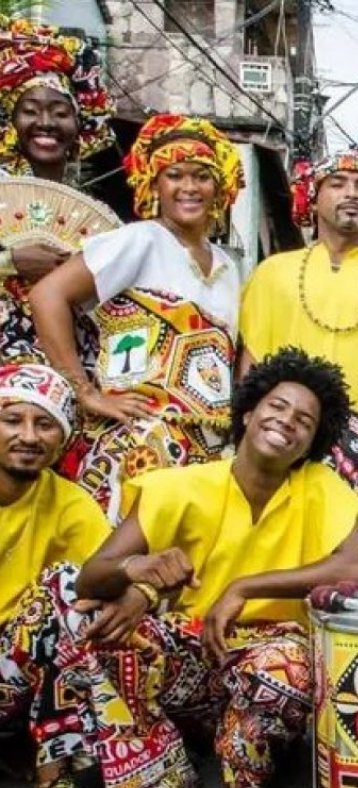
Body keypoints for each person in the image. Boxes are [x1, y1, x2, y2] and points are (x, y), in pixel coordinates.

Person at [74, 347, 358, 788]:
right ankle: (158, 759)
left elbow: (356, 565)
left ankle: (245, 742)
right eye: (277, 406)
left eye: (305, 421)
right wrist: (139, 569)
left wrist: (244, 587)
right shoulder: (180, 486)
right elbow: (90, 577)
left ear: (312, 443)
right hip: (190, 647)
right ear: (249, 414)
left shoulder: (320, 486)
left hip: (268, 655)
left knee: (267, 718)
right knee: (97, 624)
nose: (288, 421)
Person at [29, 113, 244, 521]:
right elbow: (47, 295)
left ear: (219, 186)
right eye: (174, 175)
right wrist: (85, 391)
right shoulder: (139, 239)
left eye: (201, 176)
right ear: (153, 184)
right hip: (137, 443)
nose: (188, 187)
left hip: (209, 451)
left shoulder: (229, 267)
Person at [241, 151, 358, 549]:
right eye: (337, 184)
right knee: (277, 551)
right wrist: (243, 436)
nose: (352, 195)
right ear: (312, 198)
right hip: (286, 436)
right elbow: (252, 363)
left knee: (357, 566)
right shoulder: (273, 272)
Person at [0, 363, 134, 788]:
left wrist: (144, 588)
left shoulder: (70, 504)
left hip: (14, 666)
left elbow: (106, 577)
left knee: (73, 591)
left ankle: (52, 775)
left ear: (62, 439)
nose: (28, 436)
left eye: (45, 424)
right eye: (12, 420)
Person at [0, 16, 115, 365]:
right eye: (30, 111)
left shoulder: (91, 213)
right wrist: (11, 260)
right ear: (10, 123)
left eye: (60, 112)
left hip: (67, 372)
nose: (46, 123)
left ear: (80, 126)